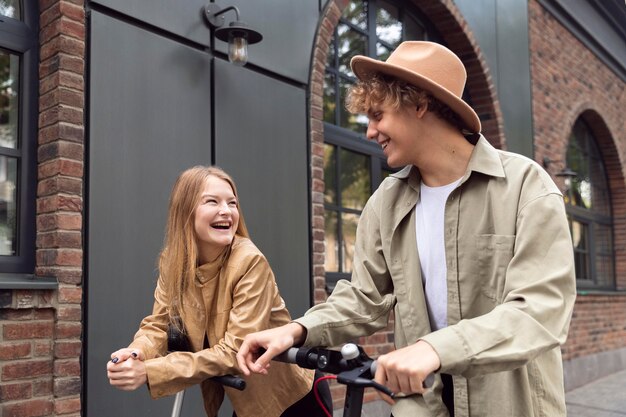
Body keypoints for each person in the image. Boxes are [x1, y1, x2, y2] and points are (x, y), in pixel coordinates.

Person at [237, 41, 576, 417]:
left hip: (511, 405)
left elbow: (538, 311)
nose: (369, 132)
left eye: (377, 115)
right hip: (421, 406)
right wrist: (298, 330)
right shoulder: (386, 202)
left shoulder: (527, 188)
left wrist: (434, 349)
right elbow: (365, 298)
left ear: (419, 104)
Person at [107, 166, 331, 417]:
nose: (226, 211)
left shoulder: (250, 262)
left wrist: (151, 371)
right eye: (212, 201)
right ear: (185, 211)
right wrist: (137, 352)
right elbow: (158, 326)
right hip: (245, 400)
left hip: (291, 398)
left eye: (232, 203)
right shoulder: (173, 262)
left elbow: (234, 351)